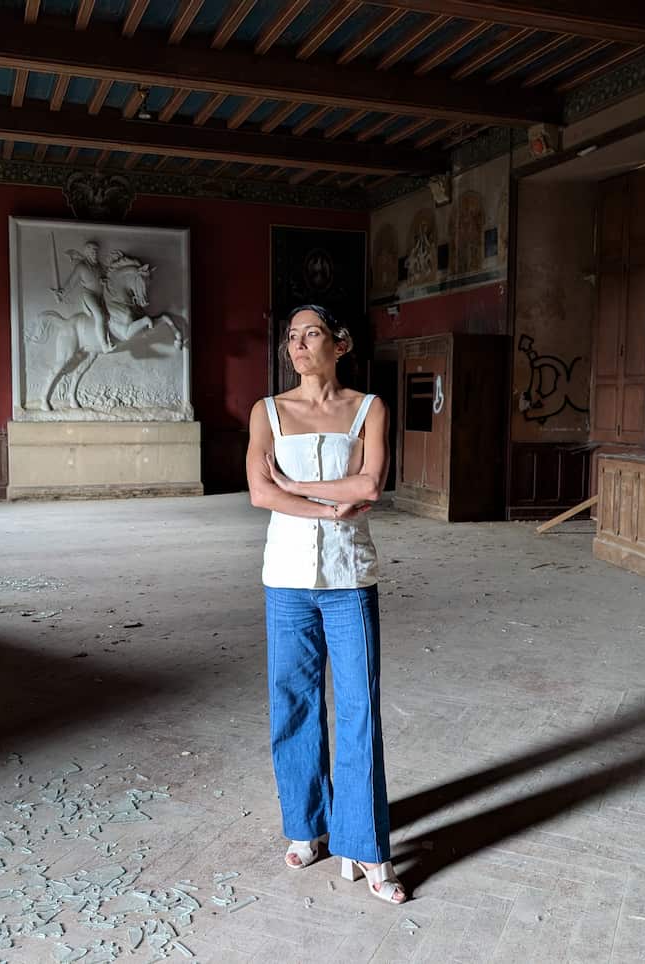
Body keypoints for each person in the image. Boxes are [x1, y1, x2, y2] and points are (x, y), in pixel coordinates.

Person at [245, 305, 407, 905]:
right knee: (294, 701)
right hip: (286, 576)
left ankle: (364, 845)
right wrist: (315, 503)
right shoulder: (268, 411)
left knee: (361, 706)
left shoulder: (368, 408)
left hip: (349, 577)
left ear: (341, 343)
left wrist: (295, 487)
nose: (297, 344)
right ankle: (305, 827)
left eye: (310, 333)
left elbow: (369, 485)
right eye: (291, 335)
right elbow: (261, 491)